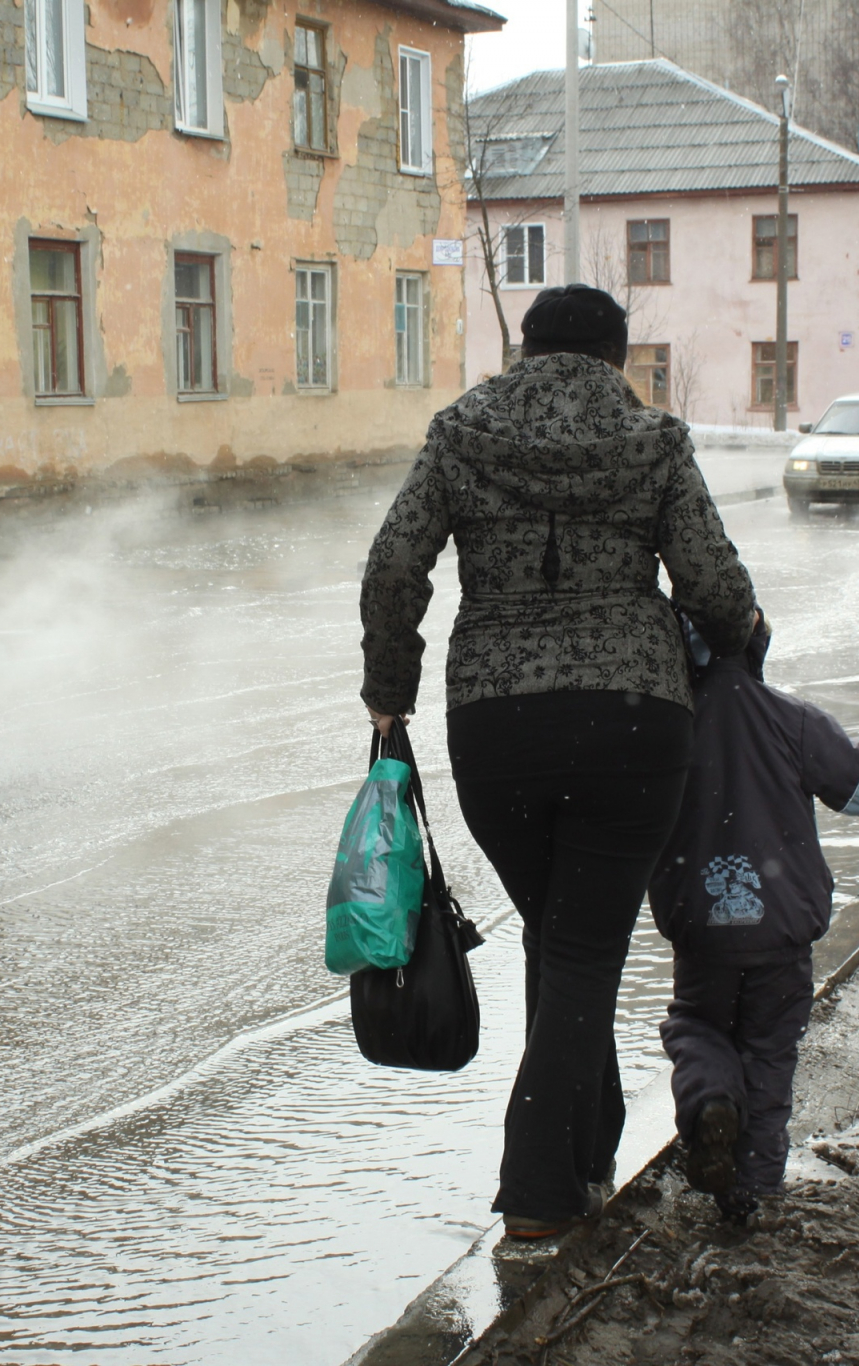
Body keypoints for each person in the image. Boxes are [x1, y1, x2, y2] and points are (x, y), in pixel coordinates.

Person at [359, 284, 760, 1241]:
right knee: (581, 950)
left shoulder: (462, 432)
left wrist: (389, 691)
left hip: (497, 728)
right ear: (616, 358)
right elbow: (710, 580)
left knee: (561, 941)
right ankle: (541, 1188)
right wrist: (742, 633)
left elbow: (392, 567)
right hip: (632, 725)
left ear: (524, 351)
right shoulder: (654, 442)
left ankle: (590, 1151)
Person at [650, 614, 859, 1222]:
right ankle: (752, 1190)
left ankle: (709, 1102)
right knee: (770, 1053)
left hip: (701, 936)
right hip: (779, 935)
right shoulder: (791, 720)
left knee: (698, 1028)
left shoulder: (665, 727)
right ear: (756, 646)